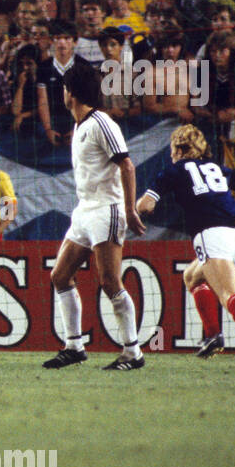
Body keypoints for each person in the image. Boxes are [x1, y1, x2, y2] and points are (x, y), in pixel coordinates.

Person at [137, 125, 235, 368]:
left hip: (211, 235)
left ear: (179, 149)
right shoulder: (218, 169)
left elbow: (146, 205)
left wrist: (131, 210)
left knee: (227, 294)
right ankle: (213, 336)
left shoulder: (174, 170)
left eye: (172, 149)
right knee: (192, 277)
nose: (171, 155)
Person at [43, 61, 147, 371]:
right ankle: (74, 346)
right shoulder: (80, 124)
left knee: (110, 281)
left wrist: (129, 209)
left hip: (107, 209)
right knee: (60, 276)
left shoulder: (102, 122)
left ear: (71, 92)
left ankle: (133, 352)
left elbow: (126, 165)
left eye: (64, 87)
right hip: (85, 210)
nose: (62, 92)